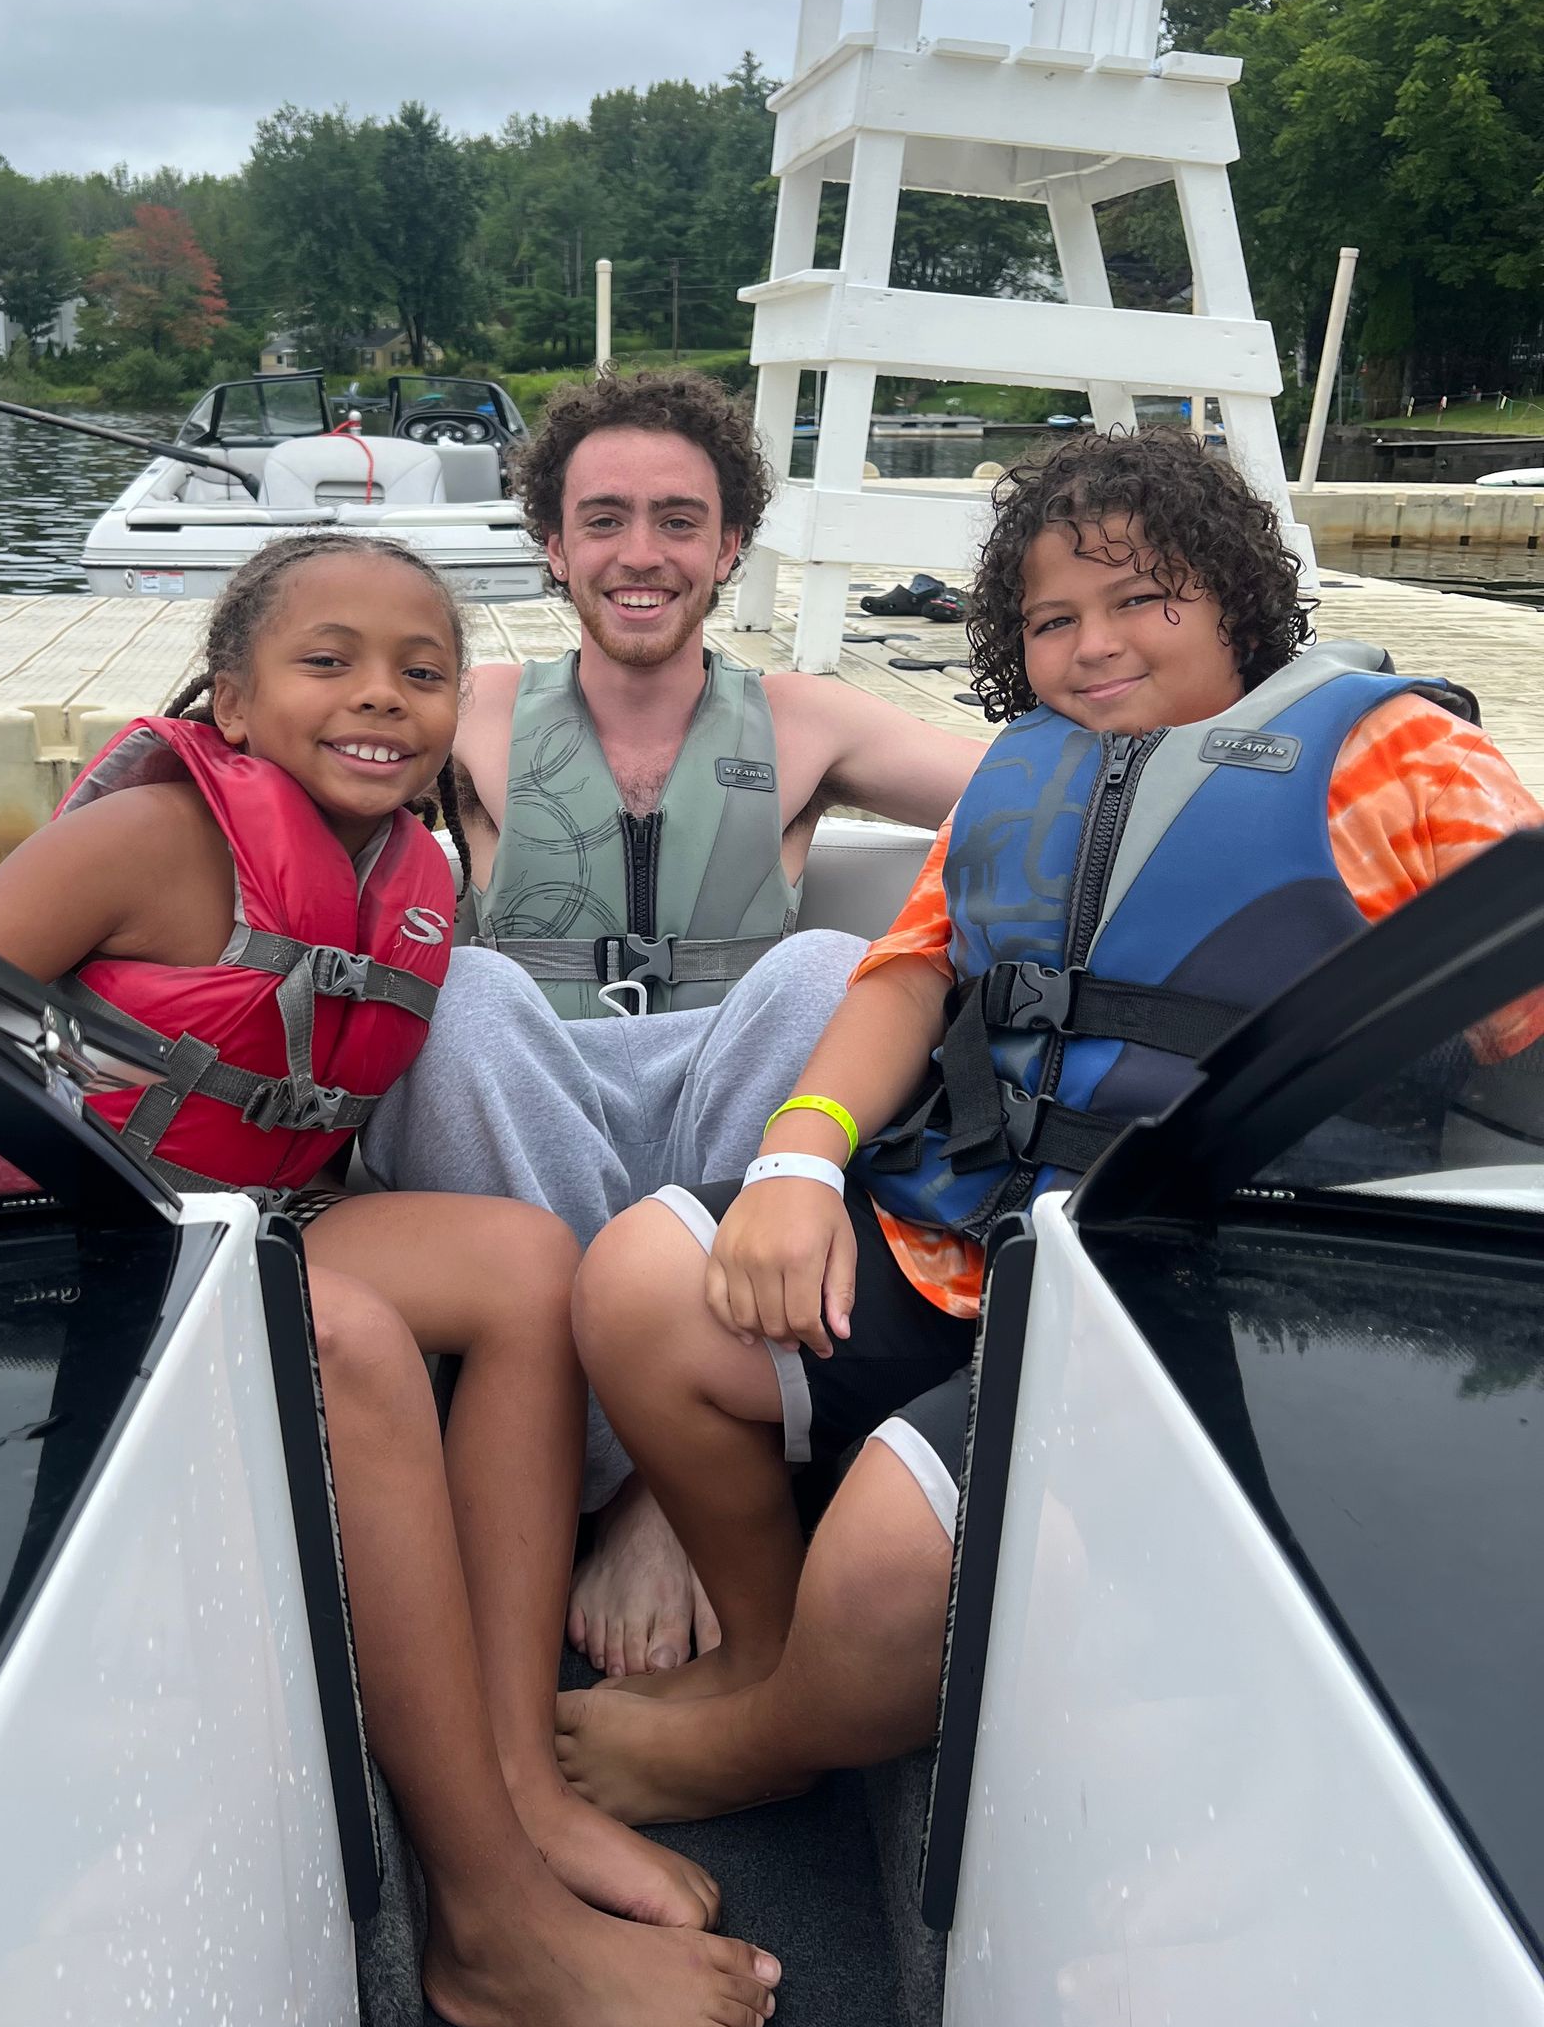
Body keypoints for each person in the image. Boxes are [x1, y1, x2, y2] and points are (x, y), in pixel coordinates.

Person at [553, 428, 1543, 1828]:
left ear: (1236, 601)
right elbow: (904, 977)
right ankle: (772, 1658)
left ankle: (769, 1739)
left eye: (1145, 599)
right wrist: (794, 1160)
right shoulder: (1023, 780)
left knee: (891, 1557)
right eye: (1054, 619)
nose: (1095, 645)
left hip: (1185, 1291)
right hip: (963, 1235)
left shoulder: (1398, 762)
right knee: (640, 1280)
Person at [0, 533, 781, 2027]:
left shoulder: (414, 873)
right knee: (352, 1340)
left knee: (528, 1262)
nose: (380, 697)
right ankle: (488, 1922)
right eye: (328, 663)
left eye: (423, 670)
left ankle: (521, 1771)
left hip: (236, 1218)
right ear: (237, 702)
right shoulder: (142, 836)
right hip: (62, 1240)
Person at [360, 368, 980, 1679]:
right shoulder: (460, 714)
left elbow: (1032, 797)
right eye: (606, 519)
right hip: (534, 1109)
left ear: (731, 546)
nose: (641, 555)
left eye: (679, 521)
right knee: (461, 996)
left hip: (736, 1129)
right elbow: (267, 774)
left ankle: (660, 1488)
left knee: (823, 967)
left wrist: (1306, 736)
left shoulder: (805, 718)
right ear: (553, 544)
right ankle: (605, 1457)